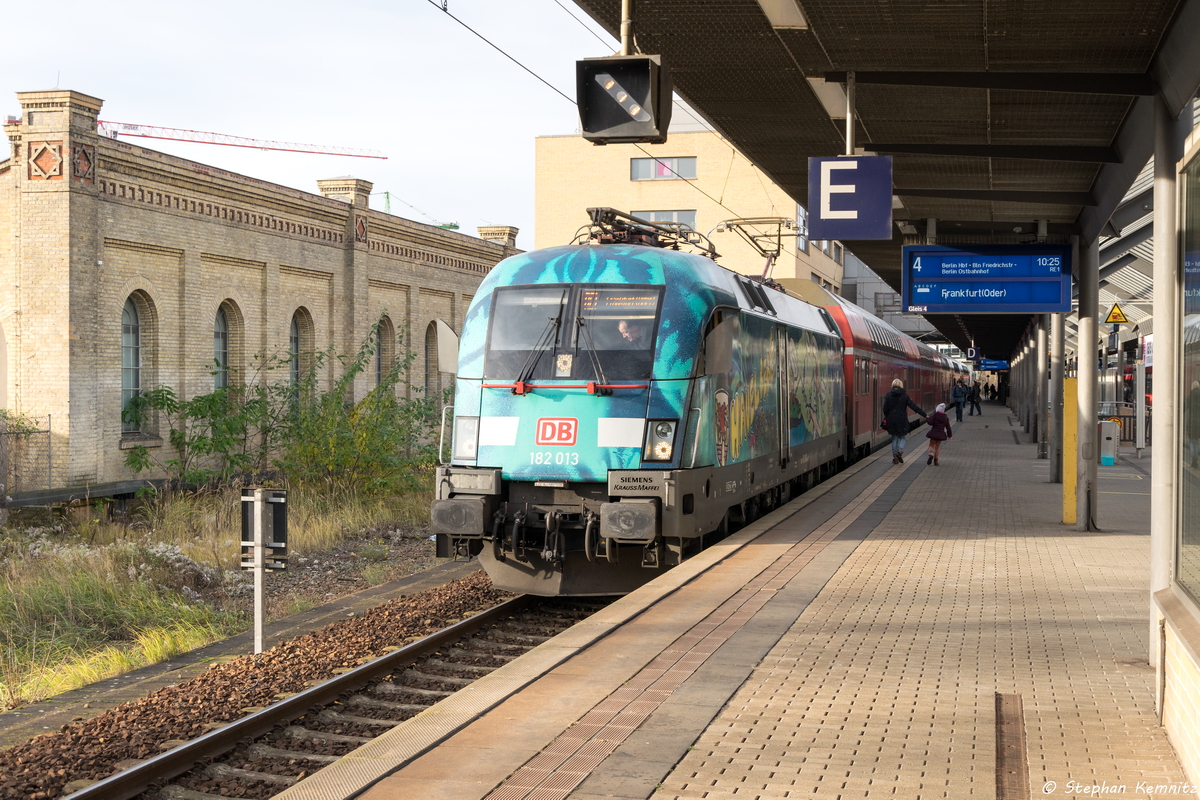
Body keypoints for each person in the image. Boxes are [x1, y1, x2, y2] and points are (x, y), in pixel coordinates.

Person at [882, 378, 926, 464]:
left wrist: (889, 415)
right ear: (901, 385)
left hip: (892, 419)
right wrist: (924, 414)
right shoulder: (905, 396)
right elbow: (913, 406)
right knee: (903, 437)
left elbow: (885, 409)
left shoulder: (888, 395)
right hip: (902, 419)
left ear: (892, 385)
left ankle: (895, 456)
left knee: (894, 437)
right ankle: (900, 449)